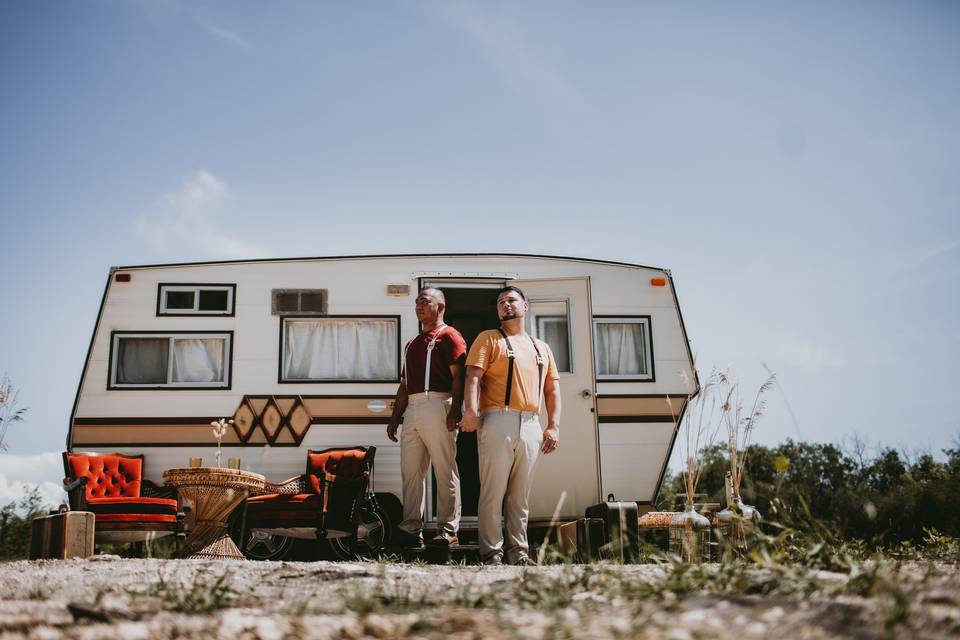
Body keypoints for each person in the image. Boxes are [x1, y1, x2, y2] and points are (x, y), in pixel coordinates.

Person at [459, 285, 561, 565]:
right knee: (493, 492)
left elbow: (552, 391)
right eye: (501, 302)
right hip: (497, 420)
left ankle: (519, 553)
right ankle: (491, 553)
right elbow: (473, 377)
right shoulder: (489, 339)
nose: (506, 305)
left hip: (531, 424)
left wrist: (553, 425)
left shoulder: (542, 348)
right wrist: (471, 411)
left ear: (525, 307)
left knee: (520, 496)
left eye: (512, 300)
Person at [387, 287, 466, 548]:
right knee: (411, 472)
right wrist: (395, 417)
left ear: (440, 306)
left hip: (438, 403)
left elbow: (460, 377)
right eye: (417, 302)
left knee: (444, 469)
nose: (419, 306)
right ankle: (411, 529)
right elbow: (404, 384)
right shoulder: (412, 344)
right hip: (413, 406)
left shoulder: (450, 336)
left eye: (426, 301)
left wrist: (455, 411)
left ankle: (448, 530)